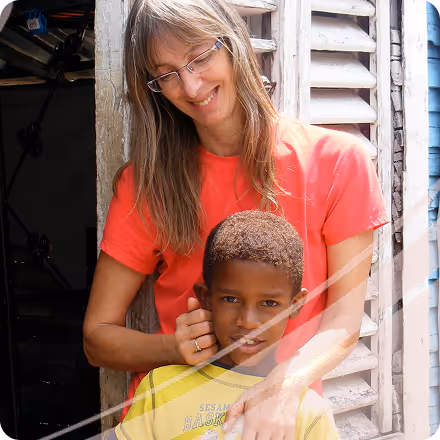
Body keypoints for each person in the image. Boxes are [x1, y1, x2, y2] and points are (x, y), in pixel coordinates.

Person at [83, 0, 389, 436]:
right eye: (166, 74)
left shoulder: (339, 162)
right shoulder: (145, 185)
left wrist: (284, 387)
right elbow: (97, 337)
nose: (190, 86)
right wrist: (174, 347)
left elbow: (343, 323)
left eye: (199, 56)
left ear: (234, 44)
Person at [115, 211, 339, 440]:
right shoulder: (160, 388)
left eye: (269, 303)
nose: (248, 321)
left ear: (295, 305)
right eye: (231, 299)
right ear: (206, 297)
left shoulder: (306, 412)